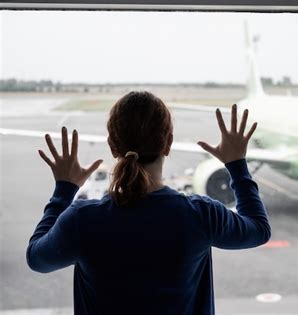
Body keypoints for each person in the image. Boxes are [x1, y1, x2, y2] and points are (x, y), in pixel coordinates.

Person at [27, 91, 271, 314]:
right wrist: (237, 165)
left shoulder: (82, 220)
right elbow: (259, 229)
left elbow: (36, 258)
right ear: (168, 143)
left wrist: (64, 190)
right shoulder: (200, 215)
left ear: (113, 146)